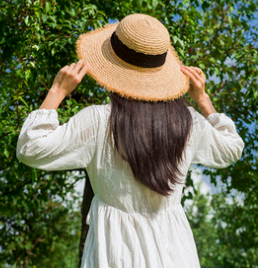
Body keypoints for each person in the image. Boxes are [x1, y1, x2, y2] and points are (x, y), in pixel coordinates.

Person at [16, 13, 244, 268]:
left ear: (112, 66)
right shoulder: (188, 122)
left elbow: (30, 147)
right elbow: (231, 148)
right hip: (176, 252)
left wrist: (57, 91)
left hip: (115, 252)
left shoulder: (98, 121)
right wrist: (203, 100)